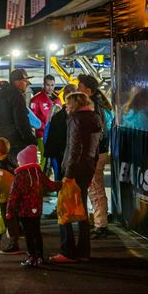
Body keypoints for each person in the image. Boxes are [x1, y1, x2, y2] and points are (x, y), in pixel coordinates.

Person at [49, 92, 103, 264]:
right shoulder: (95, 118)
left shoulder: (75, 120)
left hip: (75, 170)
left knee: (64, 209)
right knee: (82, 212)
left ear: (74, 104)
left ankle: (68, 250)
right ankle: (83, 251)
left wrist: (68, 174)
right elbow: (95, 148)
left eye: (68, 103)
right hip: (87, 168)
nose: (66, 106)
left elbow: (74, 148)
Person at [6, 145, 62, 268]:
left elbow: (13, 195)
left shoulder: (20, 176)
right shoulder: (38, 174)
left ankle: (32, 257)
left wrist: (9, 211)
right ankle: (40, 256)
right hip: (37, 210)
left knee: (28, 234)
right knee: (36, 232)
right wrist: (62, 184)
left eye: (20, 161)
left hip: (24, 211)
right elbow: (51, 185)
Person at [77, 74, 113, 239]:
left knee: (95, 188)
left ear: (88, 90)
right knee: (95, 188)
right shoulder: (99, 105)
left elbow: (96, 133)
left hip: (96, 152)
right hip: (99, 151)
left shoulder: (94, 108)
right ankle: (100, 221)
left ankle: (101, 224)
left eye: (80, 87)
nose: (78, 90)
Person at [43, 83, 77, 219]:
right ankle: (73, 208)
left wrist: (50, 155)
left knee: (61, 181)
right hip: (71, 155)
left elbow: (51, 138)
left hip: (60, 155)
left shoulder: (58, 116)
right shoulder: (79, 116)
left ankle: (62, 208)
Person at [0, 69, 37, 161]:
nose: (27, 83)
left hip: (4, 140)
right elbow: (21, 121)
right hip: (17, 142)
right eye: (25, 81)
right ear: (17, 82)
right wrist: (30, 140)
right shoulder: (16, 96)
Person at [30, 75, 61, 168]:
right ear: (43, 85)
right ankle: (40, 179)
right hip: (42, 134)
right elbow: (32, 118)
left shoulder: (57, 99)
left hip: (55, 134)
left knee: (54, 159)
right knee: (45, 158)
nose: (50, 87)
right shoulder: (36, 99)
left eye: (52, 85)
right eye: (48, 85)